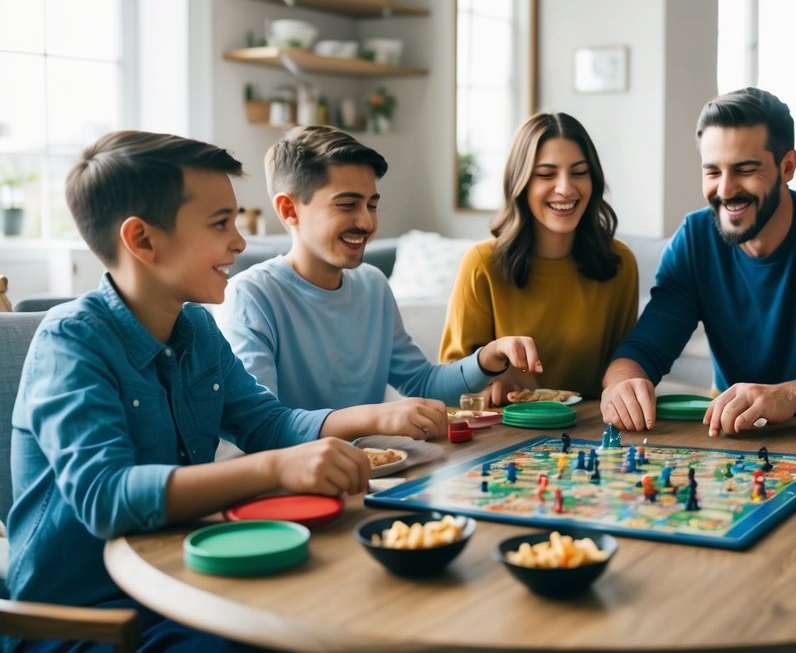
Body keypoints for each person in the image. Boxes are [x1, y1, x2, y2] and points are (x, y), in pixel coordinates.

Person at [6, 132, 449, 651]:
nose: (239, 242)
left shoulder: (196, 327)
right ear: (143, 240)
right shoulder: (72, 342)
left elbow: (268, 424)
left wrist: (367, 420)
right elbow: (107, 497)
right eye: (221, 223)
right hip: (87, 620)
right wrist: (275, 467)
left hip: (184, 581)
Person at [601, 87, 796, 434]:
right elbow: (642, 350)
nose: (726, 190)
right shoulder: (695, 239)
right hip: (737, 436)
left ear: (787, 166)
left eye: (745, 169)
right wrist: (621, 384)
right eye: (713, 171)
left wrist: (794, 394)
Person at [217, 126, 538, 410]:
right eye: (347, 205)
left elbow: (422, 383)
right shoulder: (253, 295)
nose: (367, 222)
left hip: (370, 470)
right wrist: (376, 420)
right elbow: (262, 424)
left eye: (372, 205)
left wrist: (486, 359)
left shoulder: (373, 285)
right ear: (289, 209)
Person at [440, 113, 638, 403]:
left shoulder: (619, 264)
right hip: (504, 432)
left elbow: (625, 366)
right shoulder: (481, 264)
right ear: (520, 183)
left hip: (591, 432)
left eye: (579, 172)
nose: (565, 188)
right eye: (546, 174)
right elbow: (447, 386)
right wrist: (492, 381)